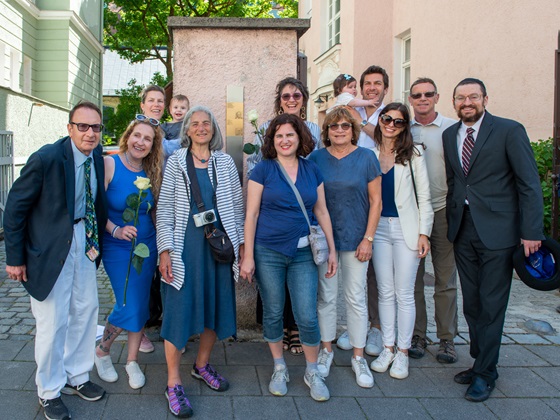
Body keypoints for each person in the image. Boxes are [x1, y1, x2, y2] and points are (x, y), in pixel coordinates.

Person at [4, 101, 108, 420]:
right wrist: (15, 258)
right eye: (83, 126)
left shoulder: (98, 159)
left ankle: (76, 376)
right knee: (53, 320)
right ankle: (49, 390)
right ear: (69, 128)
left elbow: (96, 203)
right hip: (49, 248)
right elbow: (15, 209)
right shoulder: (46, 158)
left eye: (96, 127)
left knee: (86, 310)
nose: (90, 133)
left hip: (83, 241)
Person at [442, 78, 544, 402]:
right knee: (471, 302)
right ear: (454, 102)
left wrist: (531, 232)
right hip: (463, 229)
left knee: (492, 303)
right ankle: (480, 361)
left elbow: (529, 183)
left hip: (499, 232)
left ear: (485, 98)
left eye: (473, 96)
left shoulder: (508, 131)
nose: (467, 102)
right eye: (461, 97)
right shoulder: (449, 135)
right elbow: (454, 181)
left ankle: (486, 374)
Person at [240, 113, 337, 401]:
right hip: (267, 251)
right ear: (272, 140)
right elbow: (252, 214)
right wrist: (247, 255)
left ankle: (311, 370)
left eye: (290, 135)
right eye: (279, 135)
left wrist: (331, 250)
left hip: (303, 252)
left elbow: (321, 211)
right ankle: (279, 367)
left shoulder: (311, 170)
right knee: (273, 310)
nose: (285, 140)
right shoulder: (263, 170)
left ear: (300, 138)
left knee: (306, 314)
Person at [157, 105, 244, 417]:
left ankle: (202, 365)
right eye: (195, 124)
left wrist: (242, 245)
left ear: (213, 129)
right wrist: (165, 251)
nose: (201, 128)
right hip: (184, 250)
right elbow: (165, 209)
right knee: (178, 314)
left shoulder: (225, 163)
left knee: (213, 308)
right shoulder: (176, 162)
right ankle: (172, 382)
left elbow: (237, 205)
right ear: (187, 130)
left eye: (206, 123)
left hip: (218, 250)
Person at [246, 77, 321, 356]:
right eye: (286, 95)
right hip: (272, 230)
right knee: (274, 301)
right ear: (280, 99)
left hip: (303, 220)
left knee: (304, 302)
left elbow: (317, 175)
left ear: (304, 99)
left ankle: (297, 332)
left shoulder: (315, 130)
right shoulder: (265, 129)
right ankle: (281, 348)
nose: (291, 99)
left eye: (297, 95)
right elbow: (255, 169)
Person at [308, 107, 382, 388]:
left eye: (345, 126)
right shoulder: (316, 159)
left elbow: (376, 202)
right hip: (326, 240)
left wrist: (369, 238)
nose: (339, 130)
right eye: (333, 126)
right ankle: (326, 351)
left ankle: (358, 356)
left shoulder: (366, 158)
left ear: (353, 129)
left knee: (355, 297)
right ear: (326, 131)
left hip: (356, 238)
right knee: (327, 298)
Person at [94, 116, 163, 389]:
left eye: (148, 139)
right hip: (117, 245)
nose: (141, 142)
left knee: (141, 302)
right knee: (127, 302)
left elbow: (155, 210)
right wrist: (115, 230)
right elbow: (95, 207)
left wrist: (165, 245)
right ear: (128, 136)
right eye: (137, 136)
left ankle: (132, 361)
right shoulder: (110, 163)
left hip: (147, 245)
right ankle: (102, 351)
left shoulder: (152, 170)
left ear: (152, 145)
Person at [369, 103, 434, 380]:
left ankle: (403, 352)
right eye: (387, 119)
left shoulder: (414, 154)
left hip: (406, 229)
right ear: (380, 120)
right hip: (379, 228)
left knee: (405, 293)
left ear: (405, 125)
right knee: (385, 291)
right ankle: (387, 347)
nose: (391, 124)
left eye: (398, 121)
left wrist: (424, 233)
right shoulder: (368, 154)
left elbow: (425, 197)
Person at [337, 65, 389, 357]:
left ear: (385, 87)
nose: (370, 88)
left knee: (378, 271)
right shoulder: (351, 107)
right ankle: (359, 326)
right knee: (358, 274)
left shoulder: (390, 114)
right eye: (366, 83)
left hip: (382, 189)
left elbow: (383, 140)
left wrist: (359, 120)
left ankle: (378, 330)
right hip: (355, 193)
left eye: (376, 84)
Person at [407, 78, 459, 363]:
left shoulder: (451, 128)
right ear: (411, 99)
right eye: (417, 95)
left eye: (428, 94)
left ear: (437, 97)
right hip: (411, 213)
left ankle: (447, 339)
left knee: (445, 278)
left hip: (442, 212)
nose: (423, 99)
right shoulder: (405, 129)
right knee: (413, 279)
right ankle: (418, 334)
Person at [161, 93, 190, 160]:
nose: (179, 110)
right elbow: (162, 144)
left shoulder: (188, 125)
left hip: (184, 156)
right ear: (170, 110)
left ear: (188, 110)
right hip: (169, 158)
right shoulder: (165, 126)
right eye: (175, 107)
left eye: (183, 108)